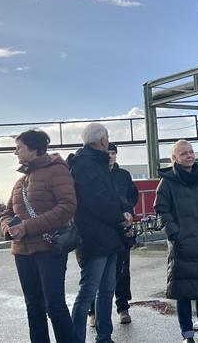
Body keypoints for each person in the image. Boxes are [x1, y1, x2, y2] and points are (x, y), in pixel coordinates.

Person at [0, 130, 77, 343]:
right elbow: (6, 214)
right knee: (33, 307)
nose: (15, 152)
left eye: (19, 147)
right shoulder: (20, 182)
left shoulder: (58, 172)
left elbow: (67, 207)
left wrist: (27, 227)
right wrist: (8, 228)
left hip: (48, 249)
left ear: (34, 149)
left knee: (55, 306)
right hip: (22, 251)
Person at [154, 140, 198, 343]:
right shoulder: (167, 182)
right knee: (184, 292)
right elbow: (161, 209)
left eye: (191, 152)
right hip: (182, 245)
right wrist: (174, 233)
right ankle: (187, 335)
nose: (189, 155)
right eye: (184, 153)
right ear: (175, 158)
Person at [67, 123, 131, 343]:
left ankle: (105, 337)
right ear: (102, 141)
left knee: (106, 292)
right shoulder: (85, 165)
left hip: (108, 236)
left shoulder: (95, 163)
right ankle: (76, 339)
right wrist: (120, 217)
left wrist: (122, 212)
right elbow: (98, 201)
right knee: (88, 293)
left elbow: (110, 197)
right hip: (94, 238)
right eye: (107, 138)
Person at [88, 143, 139, 328]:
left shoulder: (123, 175)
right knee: (97, 272)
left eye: (113, 153)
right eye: (107, 153)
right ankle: (93, 312)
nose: (110, 156)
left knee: (123, 271)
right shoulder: (96, 175)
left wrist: (128, 213)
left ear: (116, 155)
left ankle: (123, 308)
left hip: (122, 229)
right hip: (101, 231)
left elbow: (133, 196)